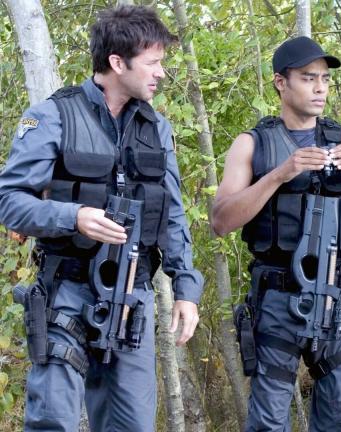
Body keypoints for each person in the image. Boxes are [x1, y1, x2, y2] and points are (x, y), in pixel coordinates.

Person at [0, 5, 203, 431]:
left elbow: (171, 214)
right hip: (66, 293)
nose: (161, 73)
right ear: (117, 62)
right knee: (53, 421)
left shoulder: (157, 128)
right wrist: (73, 216)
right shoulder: (53, 116)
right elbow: (9, 201)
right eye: (153, 62)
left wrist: (186, 288)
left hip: (133, 300)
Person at [211, 36, 341, 431]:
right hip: (279, 299)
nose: (320, 88)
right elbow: (221, 221)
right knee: (268, 421)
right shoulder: (253, 144)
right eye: (308, 78)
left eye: (325, 79)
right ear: (281, 82)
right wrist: (280, 174)